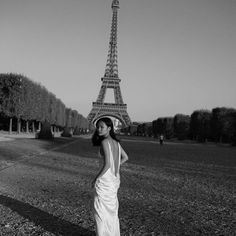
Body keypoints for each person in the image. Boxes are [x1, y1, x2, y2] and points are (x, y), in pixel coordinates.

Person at [91, 117, 129, 236]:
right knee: (111, 212)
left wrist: (96, 178)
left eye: (102, 127)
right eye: (97, 126)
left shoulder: (104, 142)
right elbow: (125, 157)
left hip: (105, 180)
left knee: (100, 212)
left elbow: (107, 164)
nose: (98, 129)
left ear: (109, 128)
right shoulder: (116, 143)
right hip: (114, 179)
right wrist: (116, 166)